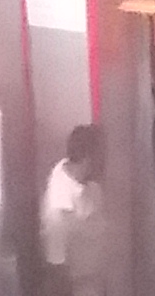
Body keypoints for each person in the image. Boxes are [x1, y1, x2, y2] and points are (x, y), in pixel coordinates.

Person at [36, 119, 113, 296]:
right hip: (82, 287)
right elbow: (57, 269)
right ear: (88, 159)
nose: (106, 162)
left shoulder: (75, 174)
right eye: (102, 156)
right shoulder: (59, 212)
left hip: (95, 277)